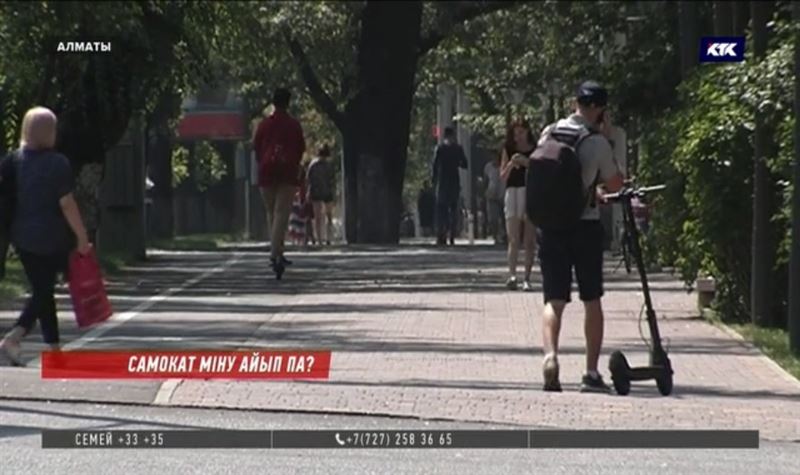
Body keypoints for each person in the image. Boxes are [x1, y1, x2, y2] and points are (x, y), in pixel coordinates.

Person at [536, 81, 625, 393]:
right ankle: (590, 372)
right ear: (600, 109)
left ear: (575, 102)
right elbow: (615, 185)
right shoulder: (598, 142)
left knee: (554, 300)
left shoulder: (549, 132)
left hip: (550, 226)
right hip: (584, 224)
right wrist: (611, 140)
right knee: (591, 300)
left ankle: (550, 356)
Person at [0, 106, 91, 365]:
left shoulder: (12, 161)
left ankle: (53, 349)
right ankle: (15, 338)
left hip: (21, 237)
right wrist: (81, 237)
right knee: (43, 290)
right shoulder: (58, 163)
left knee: (43, 290)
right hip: (52, 239)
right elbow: (67, 204)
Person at [253, 88, 306, 279]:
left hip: (266, 171)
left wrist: (263, 161)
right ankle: (275, 252)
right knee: (281, 212)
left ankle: (278, 250)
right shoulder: (293, 125)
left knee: (271, 212)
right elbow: (301, 147)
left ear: (273, 102)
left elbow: (257, 147)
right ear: (288, 103)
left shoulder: (264, 125)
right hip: (287, 170)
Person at [500, 119, 537, 291]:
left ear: (528, 132)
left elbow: (541, 169)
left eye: (521, 132)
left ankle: (527, 278)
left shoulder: (536, 149)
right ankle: (512, 274)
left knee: (529, 240)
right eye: (515, 133)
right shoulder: (508, 149)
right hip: (512, 192)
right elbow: (503, 176)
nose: (518, 137)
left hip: (529, 191)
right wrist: (511, 164)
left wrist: (526, 162)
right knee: (513, 238)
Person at [432, 126, 467, 245]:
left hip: (443, 182)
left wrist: (434, 181)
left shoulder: (440, 149)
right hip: (454, 181)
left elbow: (435, 166)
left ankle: (441, 234)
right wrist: (457, 162)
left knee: (441, 209)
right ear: (453, 136)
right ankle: (452, 234)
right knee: (453, 208)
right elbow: (465, 164)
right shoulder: (458, 149)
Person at [306, 144, 335, 246]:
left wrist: (308, 192)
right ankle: (328, 238)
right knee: (329, 216)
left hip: (316, 191)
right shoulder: (329, 165)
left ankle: (320, 240)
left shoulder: (313, 164)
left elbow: (308, 179)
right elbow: (332, 179)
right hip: (326, 191)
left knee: (318, 217)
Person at [483, 154, 506, 245]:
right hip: (491, 195)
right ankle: (495, 235)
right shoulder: (488, 167)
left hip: (503, 194)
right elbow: (486, 180)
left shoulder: (505, 166)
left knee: (505, 218)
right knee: (493, 218)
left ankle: (505, 235)